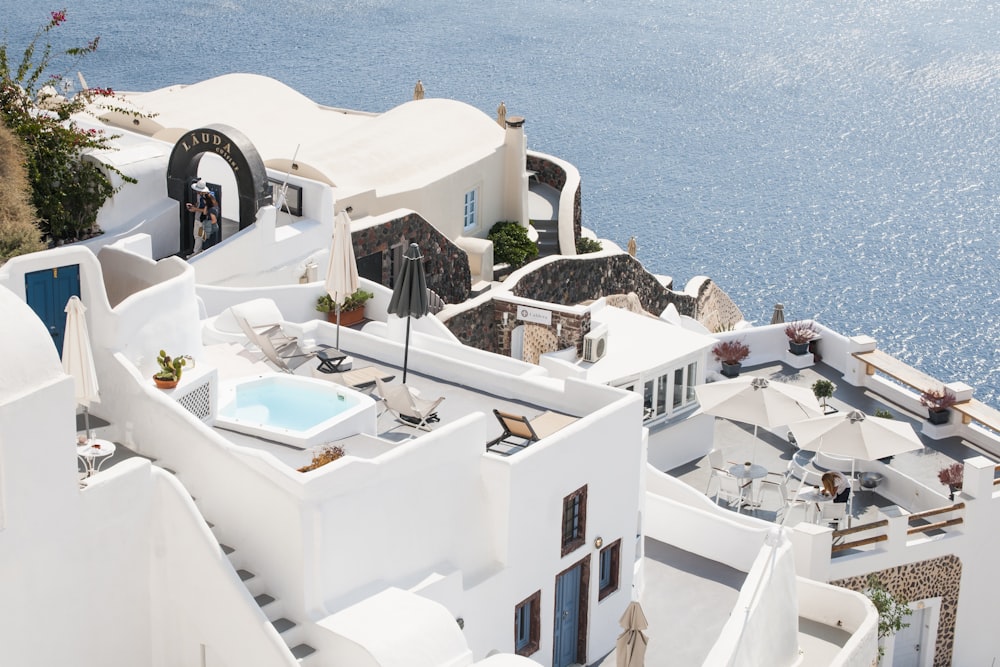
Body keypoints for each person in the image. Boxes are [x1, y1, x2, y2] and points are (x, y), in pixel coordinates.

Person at [186, 179, 209, 254]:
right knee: (196, 235)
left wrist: (195, 209)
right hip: (198, 218)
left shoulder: (207, 198)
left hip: (202, 220)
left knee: (199, 237)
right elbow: (198, 204)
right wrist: (193, 206)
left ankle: (196, 252)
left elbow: (206, 210)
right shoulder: (199, 195)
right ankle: (197, 252)